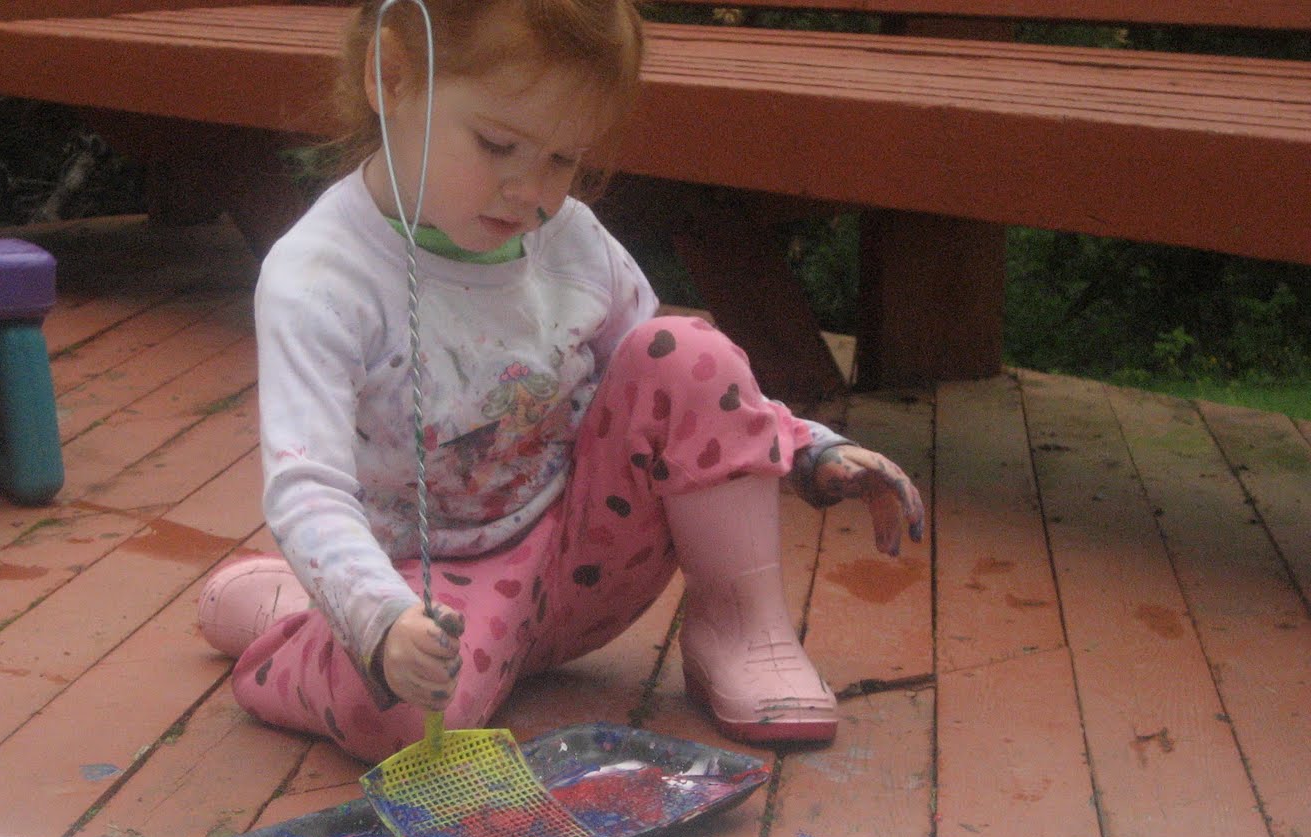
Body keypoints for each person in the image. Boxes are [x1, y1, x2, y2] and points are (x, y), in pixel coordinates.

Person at [198, 0, 925, 764]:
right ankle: (295, 621)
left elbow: (686, 385)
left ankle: (742, 629)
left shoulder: (567, 238)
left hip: (585, 558)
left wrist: (810, 447)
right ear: (394, 76)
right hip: (432, 603)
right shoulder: (321, 277)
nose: (531, 191)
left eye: (563, 159)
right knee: (404, 718)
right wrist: (377, 621)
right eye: (498, 145)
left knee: (684, 345)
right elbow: (307, 487)